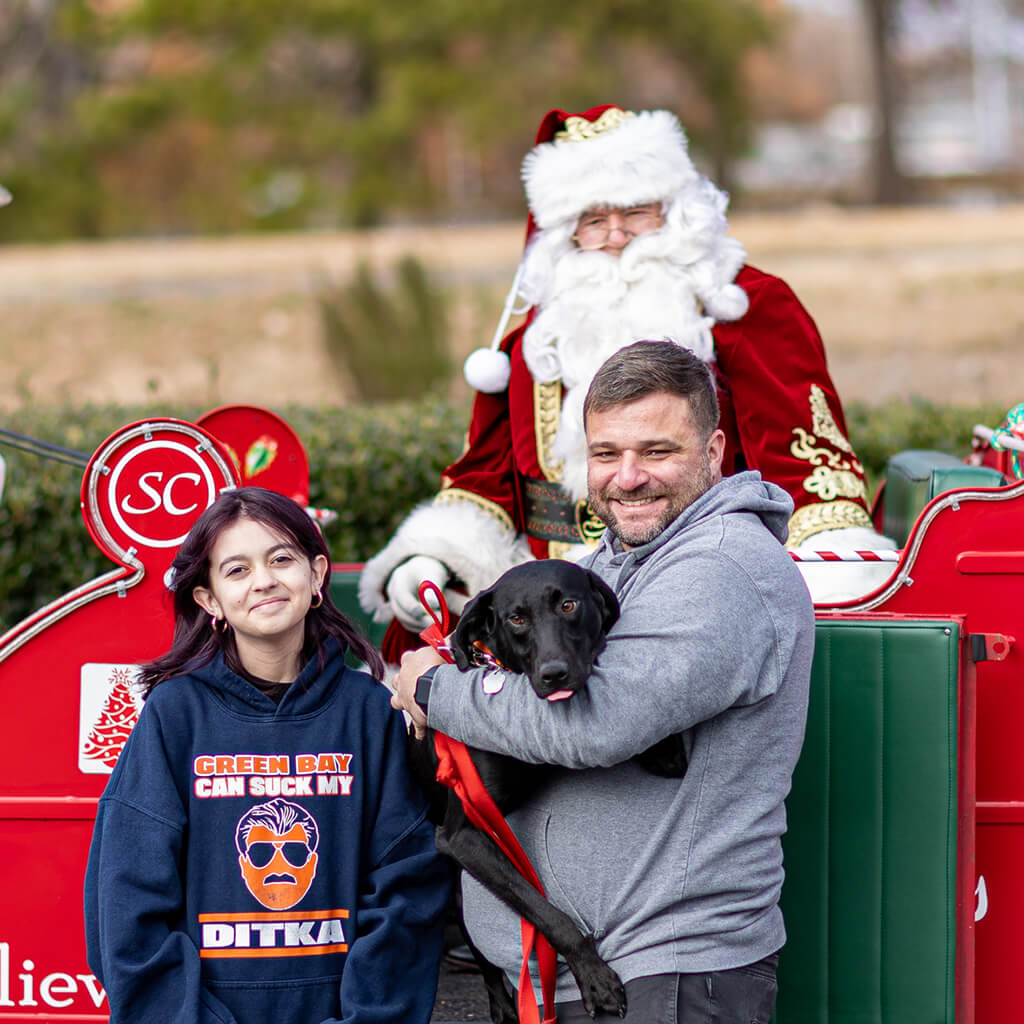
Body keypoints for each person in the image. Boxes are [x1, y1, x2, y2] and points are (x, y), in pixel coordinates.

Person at [359, 105, 891, 658]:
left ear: (676, 209)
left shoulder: (749, 308)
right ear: (567, 233)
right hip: (551, 596)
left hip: (696, 578)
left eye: (636, 212)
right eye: (592, 220)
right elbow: (487, 476)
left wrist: (814, 567)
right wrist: (438, 554)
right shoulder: (536, 341)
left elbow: (806, 466)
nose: (615, 236)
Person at [391, 341, 815, 1022]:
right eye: (607, 454)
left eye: (657, 451)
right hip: (570, 982)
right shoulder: (617, 565)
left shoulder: (723, 569)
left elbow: (594, 723)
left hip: (664, 974)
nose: (628, 476)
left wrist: (436, 689)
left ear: (712, 452)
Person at [84, 487, 450, 1024]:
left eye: (281, 559)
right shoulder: (174, 716)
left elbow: (407, 893)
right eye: (236, 569)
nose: (264, 580)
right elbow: (126, 903)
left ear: (317, 574)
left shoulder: (369, 713)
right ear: (209, 598)